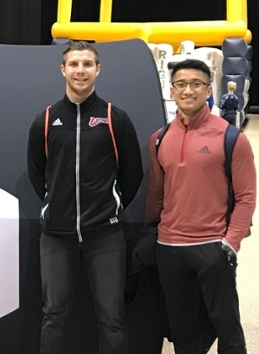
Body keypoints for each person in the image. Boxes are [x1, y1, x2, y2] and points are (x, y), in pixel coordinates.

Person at [27, 41, 144, 354]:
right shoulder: (46, 120)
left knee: (112, 317)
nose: (81, 70)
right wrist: (58, 207)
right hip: (56, 237)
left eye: (87, 64)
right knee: (54, 315)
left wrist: (110, 208)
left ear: (98, 70)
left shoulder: (114, 118)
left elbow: (132, 175)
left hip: (104, 236)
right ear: (63, 69)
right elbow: (38, 175)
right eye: (74, 64)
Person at [145, 59, 255, 354]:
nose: (188, 90)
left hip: (212, 246)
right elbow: (157, 193)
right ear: (172, 90)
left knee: (226, 326)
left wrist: (230, 243)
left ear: (208, 90)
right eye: (181, 84)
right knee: (182, 329)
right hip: (169, 247)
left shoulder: (231, 138)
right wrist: (152, 236)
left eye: (196, 84)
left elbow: (247, 196)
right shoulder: (159, 139)